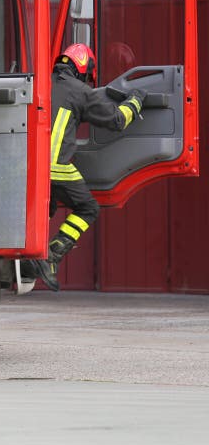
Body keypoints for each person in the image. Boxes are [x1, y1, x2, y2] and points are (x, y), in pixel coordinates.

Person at [25, 43, 146, 291]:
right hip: (54, 167)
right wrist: (136, 100)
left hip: (27, 168)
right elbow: (117, 119)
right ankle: (52, 255)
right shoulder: (81, 92)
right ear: (83, 68)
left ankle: (27, 261)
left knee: (45, 205)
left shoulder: (39, 83)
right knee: (88, 208)